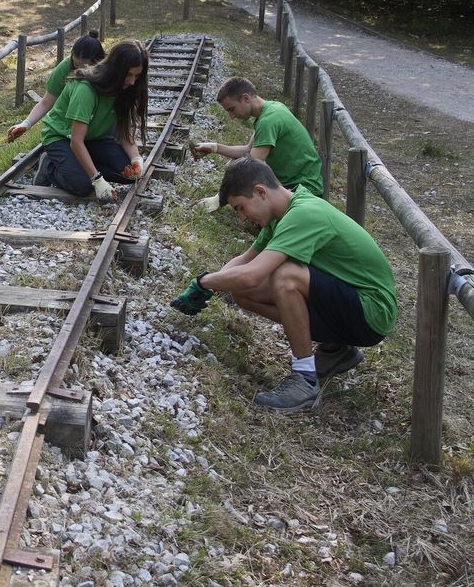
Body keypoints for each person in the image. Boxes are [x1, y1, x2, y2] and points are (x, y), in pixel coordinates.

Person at [170, 157, 397, 413]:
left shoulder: (303, 214)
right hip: (351, 305)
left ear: (260, 192)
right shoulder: (282, 214)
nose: (242, 218)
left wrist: (203, 281)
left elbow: (252, 274)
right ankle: (336, 351)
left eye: (241, 208)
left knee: (286, 277)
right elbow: (245, 260)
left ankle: (305, 379)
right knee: (244, 292)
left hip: (372, 312)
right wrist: (212, 284)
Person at [36, 39, 149, 201]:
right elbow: (76, 141)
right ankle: (49, 166)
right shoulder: (85, 89)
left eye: (137, 76)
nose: (132, 81)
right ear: (115, 69)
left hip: (93, 138)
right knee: (82, 186)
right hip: (62, 137)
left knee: (129, 174)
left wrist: (136, 159)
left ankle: (76, 164)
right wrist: (97, 179)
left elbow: (124, 131)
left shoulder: (126, 88)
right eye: (129, 75)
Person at [192, 77, 322, 209]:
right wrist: (215, 148)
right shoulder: (272, 108)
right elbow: (248, 150)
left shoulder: (268, 121)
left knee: (240, 176)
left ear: (246, 98)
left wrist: (220, 198)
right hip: (301, 184)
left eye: (232, 109)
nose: (232, 116)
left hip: (303, 191)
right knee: (236, 167)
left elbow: (250, 167)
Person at [6, 31, 106, 143]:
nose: (80, 70)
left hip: (96, 128)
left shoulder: (107, 70)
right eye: (76, 65)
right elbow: (45, 103)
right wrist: (25, 124)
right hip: (68, 127)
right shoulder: (64, 68)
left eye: (84, 66)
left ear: (97, 61)